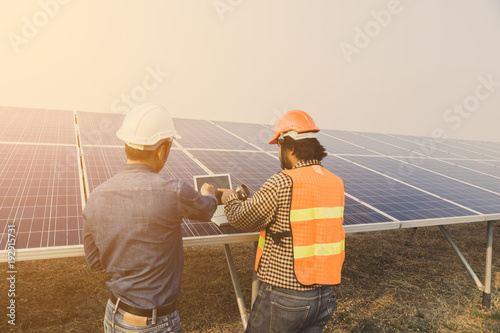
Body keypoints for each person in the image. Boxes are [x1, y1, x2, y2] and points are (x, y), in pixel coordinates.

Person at [83, 104, 217, 333]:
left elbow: (94, 262)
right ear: (162, 150)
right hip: (155, 323)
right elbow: (206, 211)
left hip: (113, 316)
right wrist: (211, 195)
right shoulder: (174, 191)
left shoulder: (95, 196)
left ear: (126, 145)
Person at [220, 110, 345, 332]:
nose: (278, 153)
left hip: (286, 297)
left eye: (278, 147)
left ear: (290, 147)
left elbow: (242, 217)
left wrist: (229, 198)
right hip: (323, 296)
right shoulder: (335, 183)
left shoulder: (283, 182)